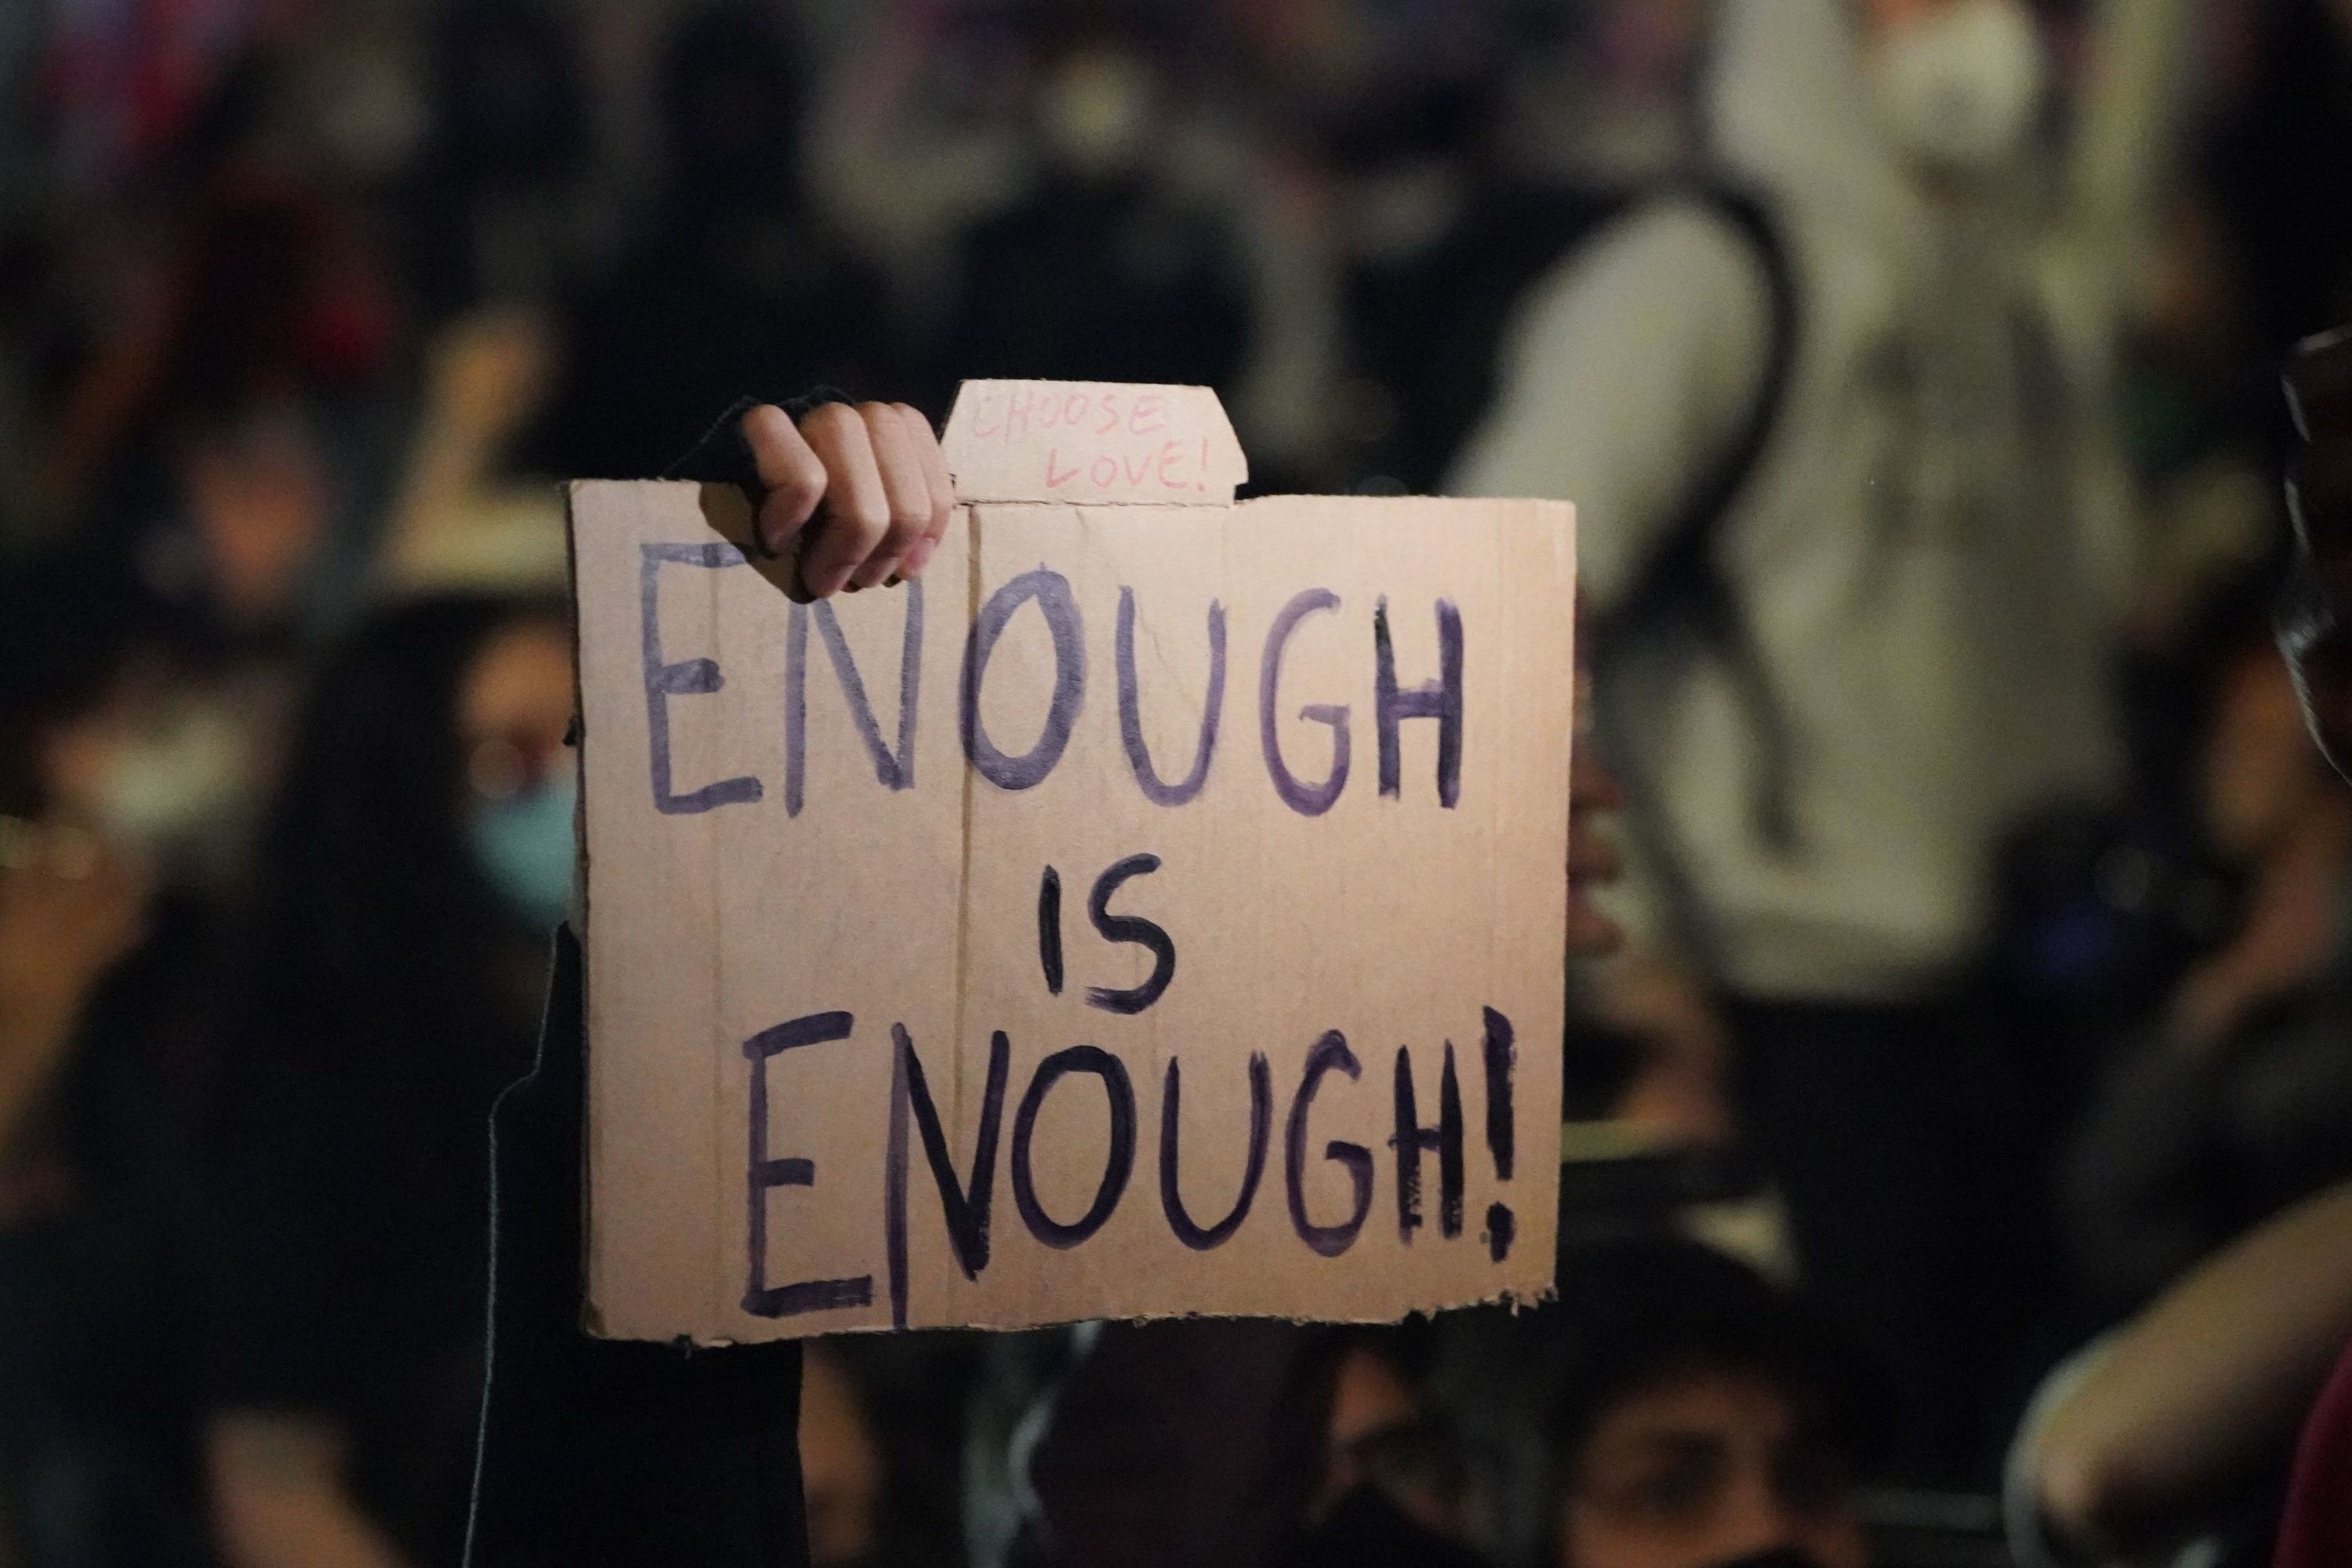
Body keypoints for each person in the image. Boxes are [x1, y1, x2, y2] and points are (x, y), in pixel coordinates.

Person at [1450, 0, 2188, 1482]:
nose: (1972, 35)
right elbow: (1482, 611)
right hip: (1786, 1035)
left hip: (2010, 1024)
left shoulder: (2011, 300)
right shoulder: (1699, 280)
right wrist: (1629, 980)